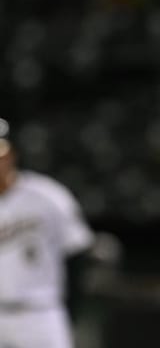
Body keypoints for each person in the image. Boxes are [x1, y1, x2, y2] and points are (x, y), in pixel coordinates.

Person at [0, 117, 95, 348]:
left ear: (12, 155)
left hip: (40, 313)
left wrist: (71, 311)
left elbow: (77, 255)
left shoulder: (48, 196)